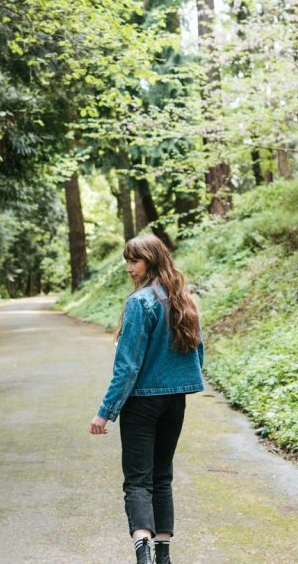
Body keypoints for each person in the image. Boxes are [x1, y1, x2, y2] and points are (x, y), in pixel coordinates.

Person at [89, 233, 205, 564]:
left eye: (134, 260)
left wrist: (104, 413)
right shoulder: (184, 298)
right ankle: (163, 556)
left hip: (141, 402)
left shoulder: (139, 303)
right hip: (175, 401)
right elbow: (198, 352)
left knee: (139, 481)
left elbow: (127, 368)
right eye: (127, 260)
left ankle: (143, 557)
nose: (129, 267)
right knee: (162, 475)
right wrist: (180, 382)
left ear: (151, 262)